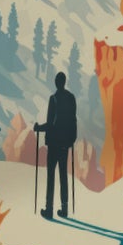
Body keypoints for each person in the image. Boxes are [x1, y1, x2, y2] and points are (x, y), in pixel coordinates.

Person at [40, 70, 77, 219]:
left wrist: (38, 128)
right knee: (63, 175)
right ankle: (64, 208)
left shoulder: (53, 99)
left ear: (57, 82)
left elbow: (50, 123)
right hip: (65, 144)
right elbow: (73, 121)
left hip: (54, 143)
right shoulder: (71, 98)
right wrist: (71, 140)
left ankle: (49, 209)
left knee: (51, 176)